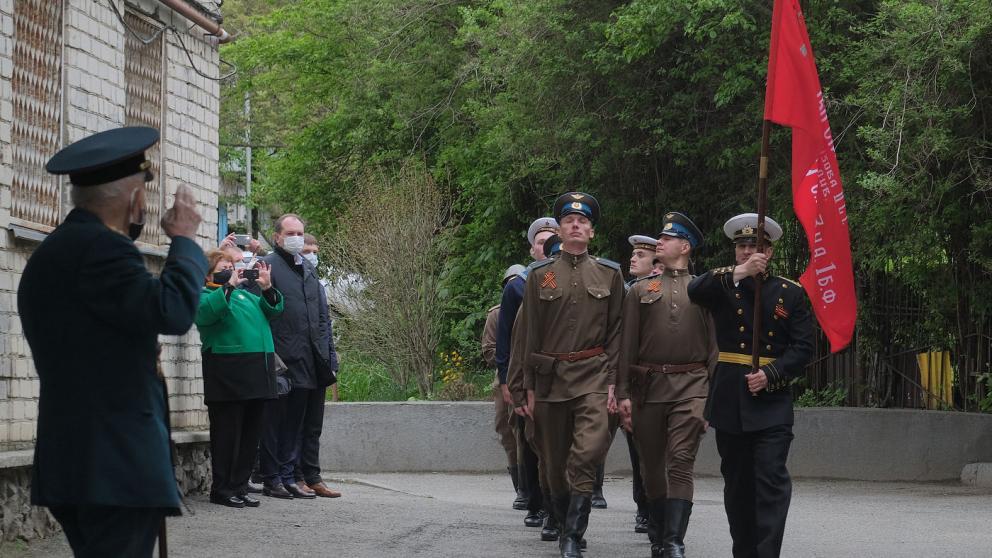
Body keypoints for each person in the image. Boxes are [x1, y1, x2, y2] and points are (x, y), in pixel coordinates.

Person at [19, 126, 207, 557]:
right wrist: (184, 242)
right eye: (144, 193)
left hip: (79, 460)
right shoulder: (102, 250)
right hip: (112, 464)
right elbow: (172, 312)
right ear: (134, 198)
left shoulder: (57, 251)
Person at [687, 213, 814, 558]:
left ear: (769, 252)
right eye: (741, 247)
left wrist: (771, 374)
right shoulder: (723, 285)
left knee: (771, 482)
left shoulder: (790, 293)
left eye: (754, 247)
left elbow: (804, 349)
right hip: (730, 401)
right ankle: (743, 551)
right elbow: (693, 289)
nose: (747, 252)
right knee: (738, 487)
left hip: (771, 404)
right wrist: (740, 273)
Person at [515, 192, 624, 558]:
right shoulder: (539, 276)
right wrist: (523, 388)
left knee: (588, 451)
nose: (576, 226)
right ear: (560, 230)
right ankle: (563, 525)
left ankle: (573, 536)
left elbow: (617, 333)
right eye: (569, 221)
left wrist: (614, 383)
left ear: (591, 231)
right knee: (553, 463)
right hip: (550, 380)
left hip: (593, 376)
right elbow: (527, 333)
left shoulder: (609, 274)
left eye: (582, 222)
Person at [618, 213, 718, 558]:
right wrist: (623, 394)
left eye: (667, 238)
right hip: (648, 386)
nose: (659, 242)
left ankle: (675, 540)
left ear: (685, 246)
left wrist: (711, 399)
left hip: (692, 386)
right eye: (660, 237)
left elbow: (715, 349)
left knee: (680, 460)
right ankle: (659, 533)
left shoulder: (704, 289)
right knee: (651, 464)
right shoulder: (641, 291)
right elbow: (626, 347)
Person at [196, 250, 284, 508]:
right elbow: (206, 314)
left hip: (257, 368)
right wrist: (228, 286)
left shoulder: (246, 294)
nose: (233, 270)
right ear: (209, 274)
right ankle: (222, 489)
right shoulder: (204, 295)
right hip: (228, 370)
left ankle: (240, 485)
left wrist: (267, 287)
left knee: (250, 433)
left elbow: (274, 309)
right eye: (225, 267)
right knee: (227, 433)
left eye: (233, 266)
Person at [258, 214, 336, 499]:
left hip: (307, 357)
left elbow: (320, 317)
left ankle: (290, 476)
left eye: (301, 233)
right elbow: (261, 309)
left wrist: (325, 355)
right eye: (291, 232)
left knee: (296, 423)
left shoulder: (306, 269)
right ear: (277, 236)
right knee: (275, 422)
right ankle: (273, 477)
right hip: (280, 359)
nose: (297, 238)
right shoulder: (268, 265)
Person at [497, 217, 559, 527]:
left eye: (551, 240)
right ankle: (535, 501)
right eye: (540, 242)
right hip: (525, 374)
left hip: (560, 376)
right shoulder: (519, 285)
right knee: (529, 439)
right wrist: (507, 378)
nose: (546, 247)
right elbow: (506, 336)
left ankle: (556, 506)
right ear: (533, 248)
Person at [290, 233, 342, 497]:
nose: (311, 253)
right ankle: (297, 476)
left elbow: (325, 326)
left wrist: (331, 360)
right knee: (297, 424)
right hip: (298, 362)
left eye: (313, 249)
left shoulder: (316, 283)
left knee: (313, 426)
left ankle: (313, 476)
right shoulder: (292, 278)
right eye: (307, 249)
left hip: (318, 362)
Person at [484, 264, 528, 508]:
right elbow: (489, 349)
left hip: (530, 375)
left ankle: (529, 488)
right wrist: (508, 361)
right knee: (506, 429)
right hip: (505, 377)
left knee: (528, 433)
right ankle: (520, 487)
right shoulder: (497, 315)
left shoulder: (538, 308)